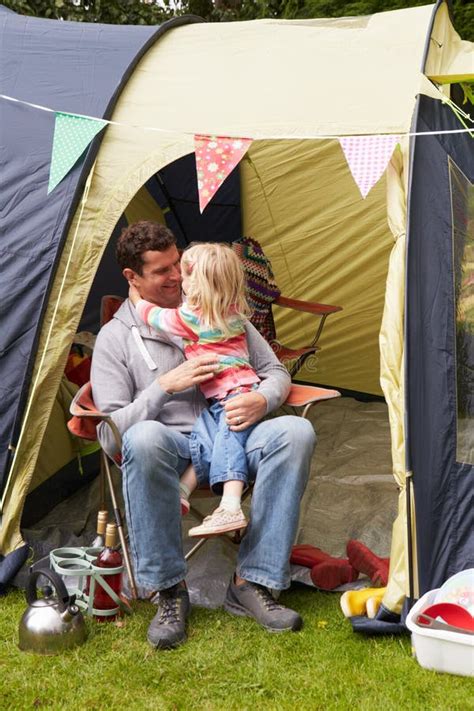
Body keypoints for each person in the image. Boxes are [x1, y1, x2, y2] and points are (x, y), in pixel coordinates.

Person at [91, 220, 316, 650]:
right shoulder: (115, 339)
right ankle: (169, 592)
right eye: (162, 272)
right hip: (173, 450)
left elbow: (274, 372)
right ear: (132, 278)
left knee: (295, 430)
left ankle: (252, 581)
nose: (177, 276)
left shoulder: (218, 308)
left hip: (234, 436)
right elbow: (112, 434)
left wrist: (263, 400)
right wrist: (163, 387)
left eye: (178, 264)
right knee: (143, 438)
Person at [129, 241, 264, 539]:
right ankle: (183, 490)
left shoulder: (194, 319)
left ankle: (229, 505)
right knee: (205, 436)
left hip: (234, 396)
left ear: (199, 284)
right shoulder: (230, 312)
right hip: (233, 392)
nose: (179, 279)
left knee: (227, 444)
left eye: (185, 274)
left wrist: (136, 299)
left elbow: (155, 318)